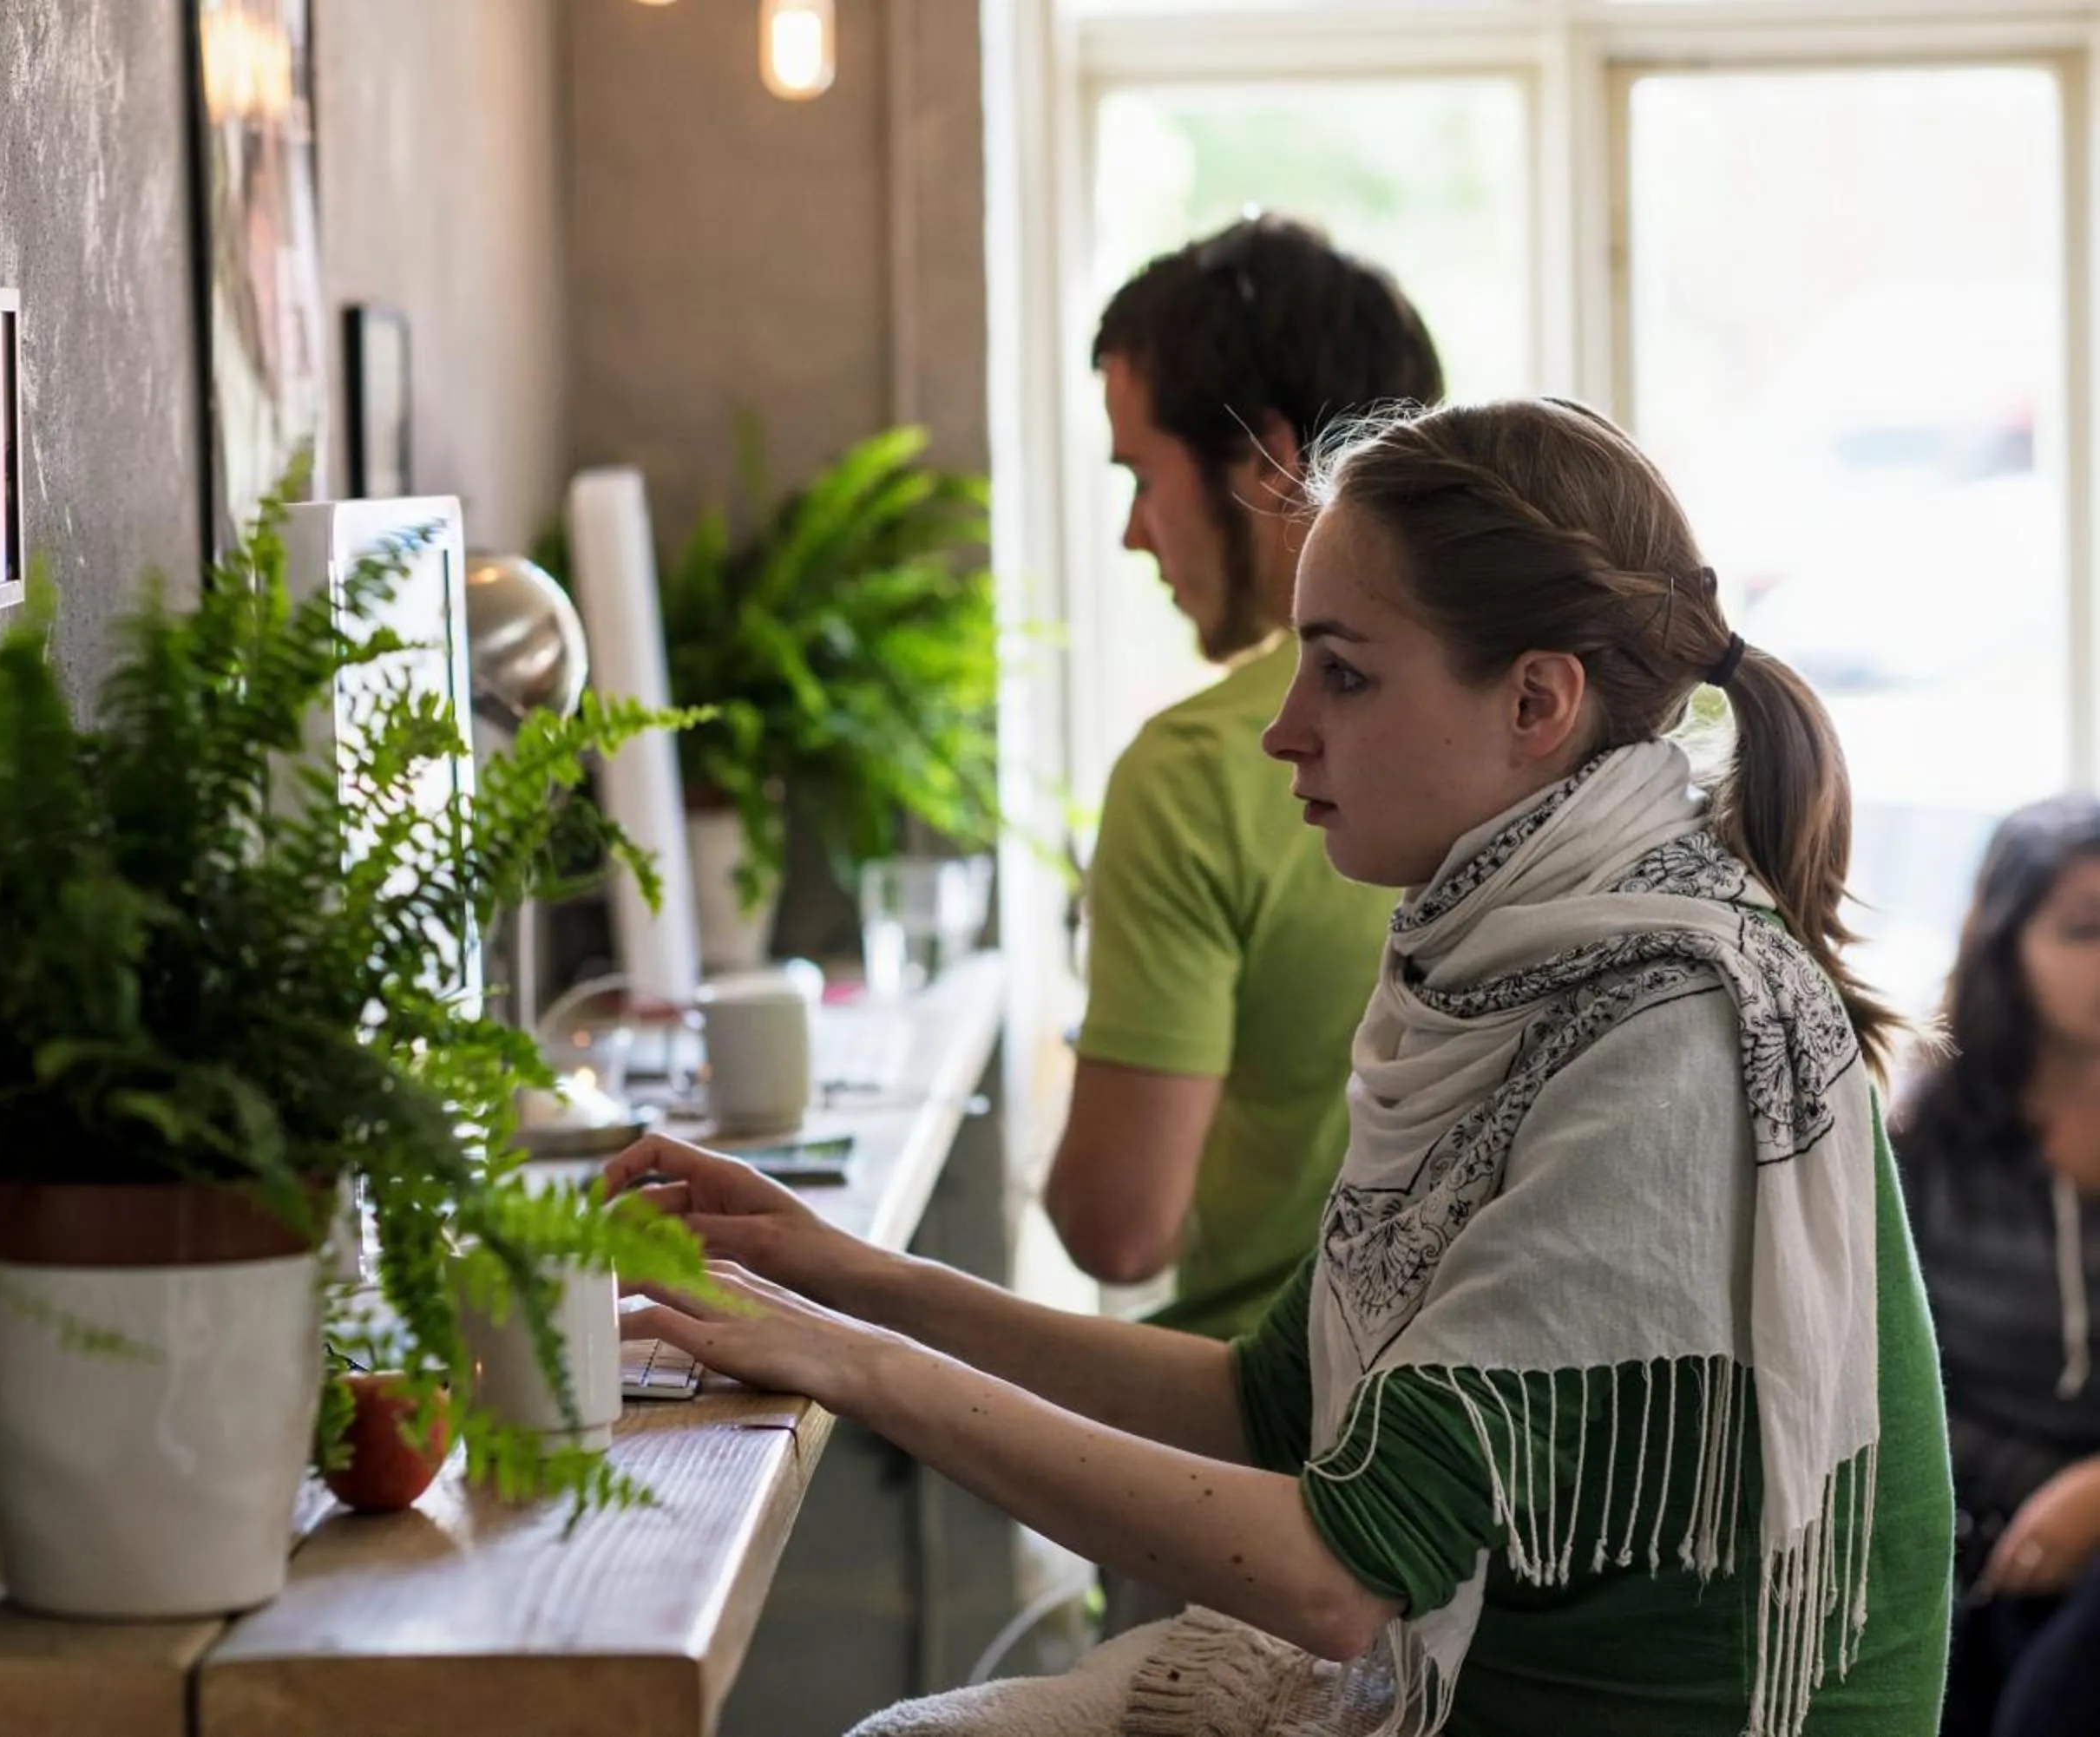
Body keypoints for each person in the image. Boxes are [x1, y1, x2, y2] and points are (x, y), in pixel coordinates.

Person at [611, 398, 1952, 1735]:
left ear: (1538, 701)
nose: (1286, 728)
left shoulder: (1670, 1041)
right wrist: (844, 1271)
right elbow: (1272, 1399)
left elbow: (1338, 1576)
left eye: (1346, 673)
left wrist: (858, 1364)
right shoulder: (1524, 958)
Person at [1046, 214, 1443, 1347]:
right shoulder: (1521, 716)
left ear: (1269, 462)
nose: (1134, 534)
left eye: (1142, 475)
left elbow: (1119, 1228)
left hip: (1254, 1423)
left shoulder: (1197, 770)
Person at [1892, 796, 2100, 1737]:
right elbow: (1885, 1377)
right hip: (1966, 1526)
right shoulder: (1924, 1140)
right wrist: (2028, 1508)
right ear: (2003, 940)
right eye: (2086, 929)